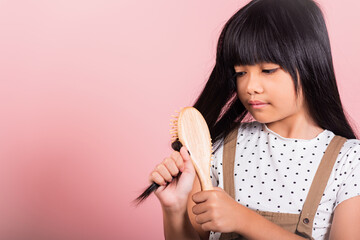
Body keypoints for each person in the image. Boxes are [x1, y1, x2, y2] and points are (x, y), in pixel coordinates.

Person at [148, 0, 360, 239]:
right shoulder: (219, 146)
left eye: (268, 70)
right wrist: (174, 209)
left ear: (310, 62)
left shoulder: (350, 162)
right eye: (240, 73)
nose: (250, 86)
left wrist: (243, 219)